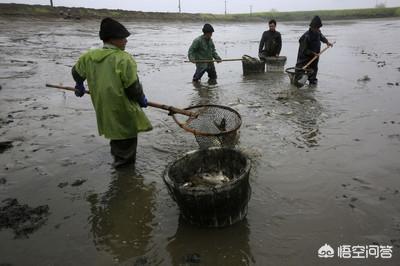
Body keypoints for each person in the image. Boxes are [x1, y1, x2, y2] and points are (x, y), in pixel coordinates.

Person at [71, 17, 152, 168]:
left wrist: (79, 84)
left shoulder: (88, 56)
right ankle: (124, 175)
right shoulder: (123, 59)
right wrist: (141, 98)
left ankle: (118, 159)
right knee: (126, 136)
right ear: (112, 40)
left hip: (103, 105)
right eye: (123, 38)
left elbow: (76, 72)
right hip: (121, 107)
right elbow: (132, 87)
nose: (126, 41)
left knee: (115, 131)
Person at [295, 16, 333, 85]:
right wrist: (313, 53)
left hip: (315, 57)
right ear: (312, 27)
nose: (318, 29)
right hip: (304, 58)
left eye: (319, 28)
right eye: (317, 28)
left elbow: (321, 37)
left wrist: (327, 42)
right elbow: (304, 50)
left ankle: (312, 85)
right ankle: (297, 84)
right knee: (300, 73)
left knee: (313, 71)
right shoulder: (306, 36)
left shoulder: (318, 32)